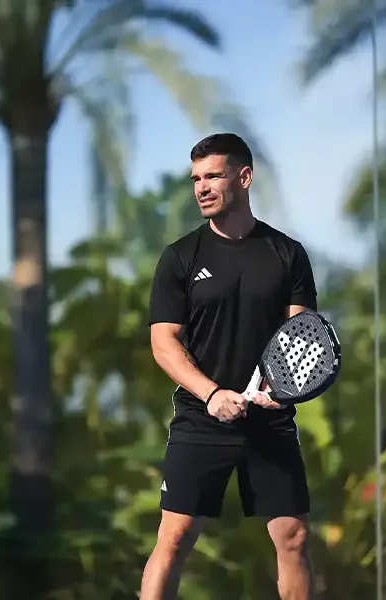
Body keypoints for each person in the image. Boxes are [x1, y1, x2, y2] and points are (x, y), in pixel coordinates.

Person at [139, 133, 318, 600]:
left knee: (294, 537)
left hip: (269, 421)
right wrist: (212, 394)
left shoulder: (288, 254)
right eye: (196, 179)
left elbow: (300, 337)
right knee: (174, 538)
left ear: (244, 177)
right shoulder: (180, 257)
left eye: (213, 176)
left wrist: (279, 390)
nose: (201, 187)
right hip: (201, 419)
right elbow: (163, 343)